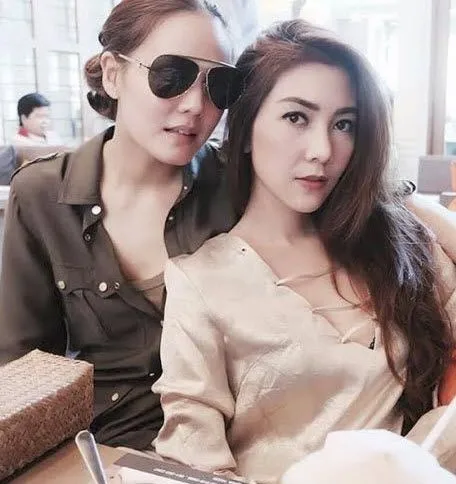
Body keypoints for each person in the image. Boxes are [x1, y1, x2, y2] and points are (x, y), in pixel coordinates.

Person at [153, 20, 456, 482]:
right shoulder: (201, 282)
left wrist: (409, 465)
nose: (322, 150)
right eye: (296, 117)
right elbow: (193, 460)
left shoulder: (397, 245)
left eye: (344, 124)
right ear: (246, 129)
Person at [0, 0, 244, 450]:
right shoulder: (40, 194)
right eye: (172, 75)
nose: (196, 105)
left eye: (219, 85)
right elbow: (22, 367)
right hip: (99, 452)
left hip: (226, 447)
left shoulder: (241, 185)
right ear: (113, 74)